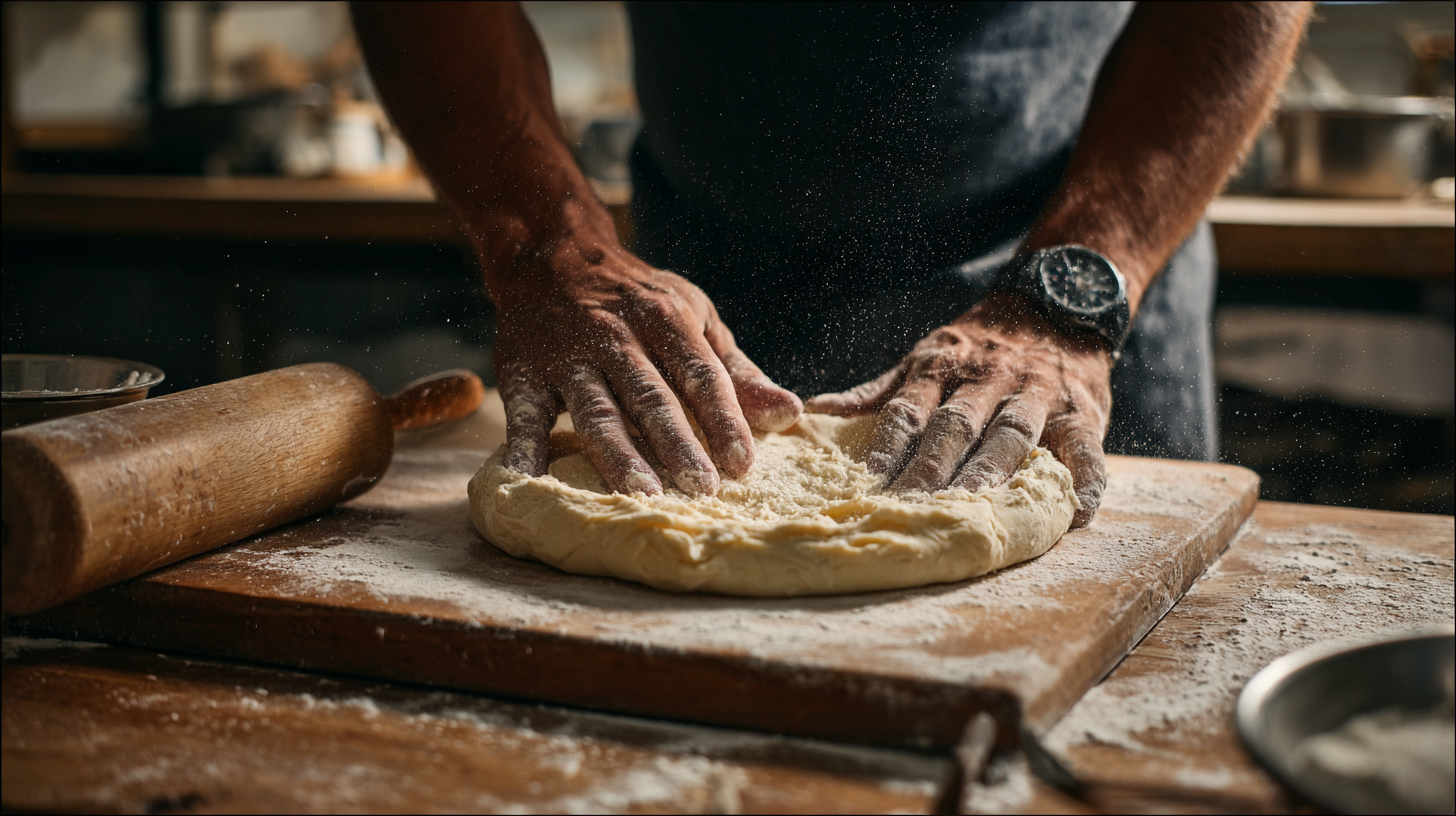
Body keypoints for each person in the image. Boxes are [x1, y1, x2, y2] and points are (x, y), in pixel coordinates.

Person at [353, 2, 1310, 528]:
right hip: (696, 298)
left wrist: (1069, 296)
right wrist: (546, 241)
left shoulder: (1070, 294)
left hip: (1076, 277)